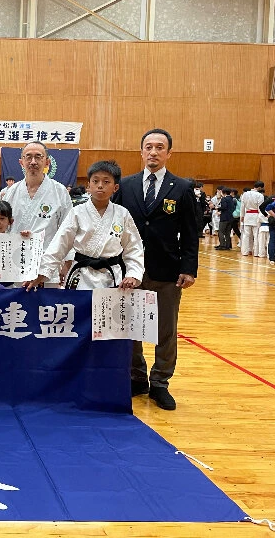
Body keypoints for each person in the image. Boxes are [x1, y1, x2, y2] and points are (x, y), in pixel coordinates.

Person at [112, 128, 198, 411]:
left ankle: (160, 382)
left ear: (169, 153)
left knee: (165, 330)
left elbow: (190, 232)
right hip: (130, 270)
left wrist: (189, 268)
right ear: (141, 151)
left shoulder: (183, 187)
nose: (153, 152)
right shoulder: (126, 185)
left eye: (160, 147)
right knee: (132, 326)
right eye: (148, 147)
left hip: (167, 270)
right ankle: (137, 378)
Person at [25, 160, 143, 291]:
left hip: (110, 276)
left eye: (106, 182)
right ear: (88, 186)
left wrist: (133, 274)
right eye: (95, 181)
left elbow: (134, 248)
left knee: (106, 311)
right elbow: (59, 245)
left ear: (115, 188)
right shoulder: (77, 212)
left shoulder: (122, 214)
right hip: (81, 276)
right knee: (77, 310)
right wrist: (41, 273)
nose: (100, 186)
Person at [2, 141, 72, 285]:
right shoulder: (11, 192)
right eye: (28, 157)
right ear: (21, 162)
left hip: (48, 264)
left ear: (47, 162)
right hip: (17, 261)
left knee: (47, 307)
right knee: (17, 307)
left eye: (38, 157)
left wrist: (67, 262)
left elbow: (69, 229)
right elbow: (3, 228)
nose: (33, 161)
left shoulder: (60, 191)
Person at [240, 182, 265, 256]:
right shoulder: (260, 195)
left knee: (246, 235)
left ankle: (245, 251)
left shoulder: (245, 194)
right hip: (256, 215)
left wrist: (242, 216)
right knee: (256, 235)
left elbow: (242, 206)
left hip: (247, 215)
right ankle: (256, 253)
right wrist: (261, 218)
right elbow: (260, 208)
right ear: (260, 188)